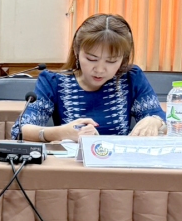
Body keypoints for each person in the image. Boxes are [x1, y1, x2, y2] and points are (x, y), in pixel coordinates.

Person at [12, 13, 166, 141]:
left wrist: (154, 121)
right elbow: (19, 130)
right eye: (91, 59)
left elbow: (162, 119)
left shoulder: (131, 78)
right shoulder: (54, 81)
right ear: (76, 50)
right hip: (71, 165)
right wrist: (61, 132)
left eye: (111, 61)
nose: (99, 69)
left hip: (119, 164)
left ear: (123, 59)